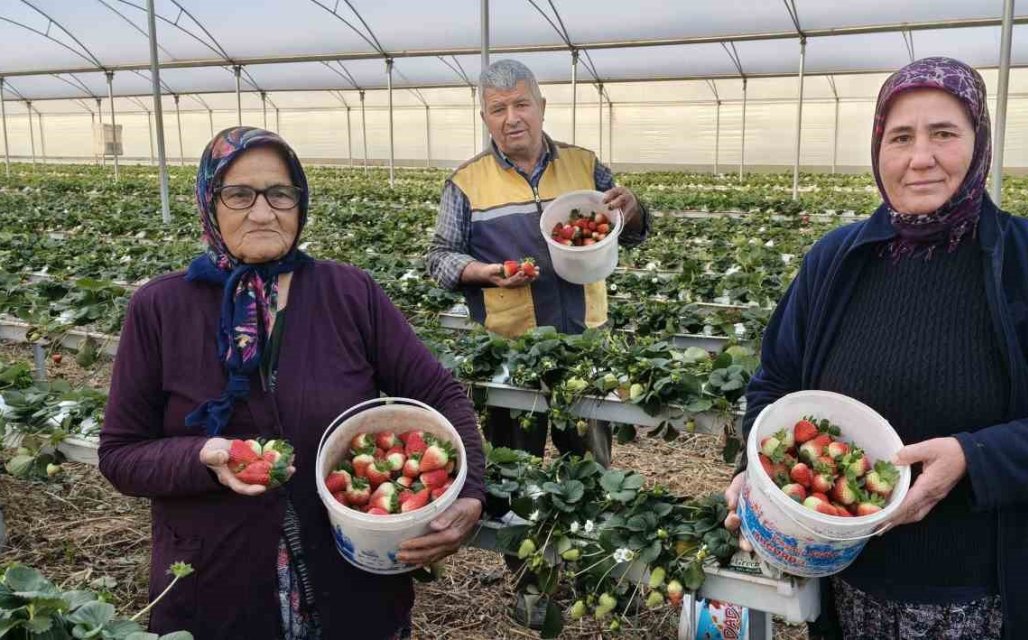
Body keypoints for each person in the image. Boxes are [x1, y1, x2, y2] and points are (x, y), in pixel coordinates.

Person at [724, 57, 1028, 640]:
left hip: (990, 596)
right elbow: (775, 383)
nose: (920, 157)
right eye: (901, 137)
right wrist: (761, 473)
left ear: (979, 144)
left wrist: (974, 457)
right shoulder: (837, 261)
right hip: (854, 587)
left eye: (944, 134)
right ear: (878, 149)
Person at [98, 127, 486, 639]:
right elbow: (121, 454)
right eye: (239, 194)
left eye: (280, 193)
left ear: (300, 202)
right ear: (209, 202)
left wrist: (471, 494)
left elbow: (439, 393)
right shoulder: (162, 307)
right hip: (218, 581)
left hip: (352, 578)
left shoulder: (349, 292)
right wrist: (204, 458)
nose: (263, 212)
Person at [424, 57, 649, 628]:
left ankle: (602, 569)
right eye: (498, 109)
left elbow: (631, 226)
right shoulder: (465, 182)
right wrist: (484, 272)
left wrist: (633, 208)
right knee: (515, 470)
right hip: (508, 355)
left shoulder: (584, 165)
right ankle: (530, 583)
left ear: (541, 107)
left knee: (592, 466)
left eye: (521, 104)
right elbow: (439, 258)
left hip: (582, 348)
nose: (511, 118)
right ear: (485, 117)